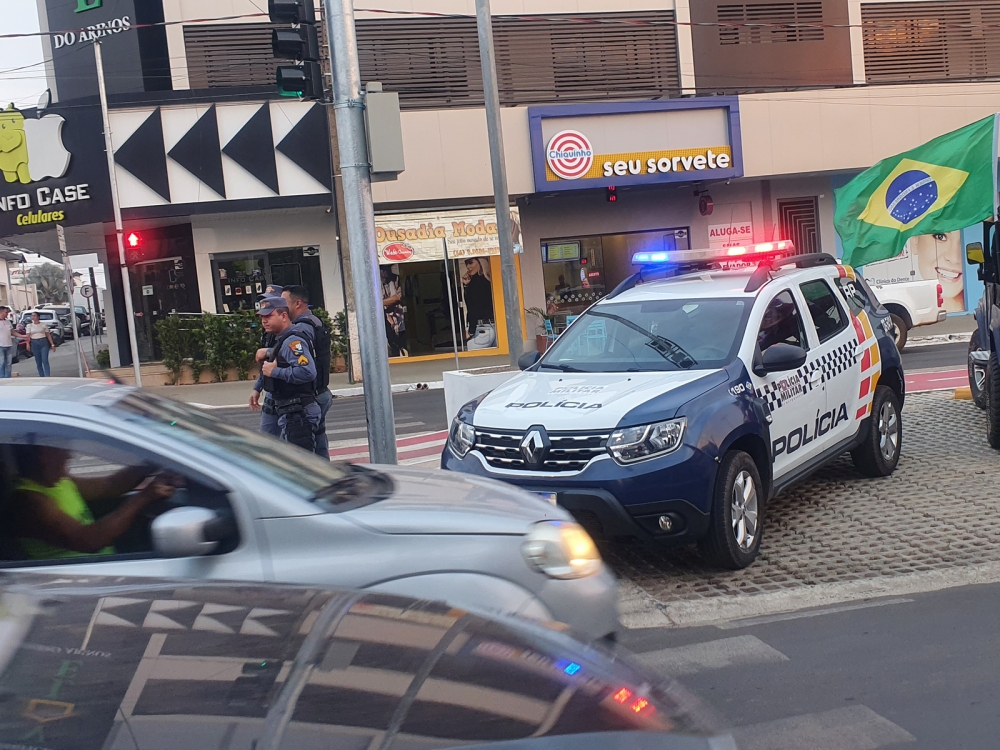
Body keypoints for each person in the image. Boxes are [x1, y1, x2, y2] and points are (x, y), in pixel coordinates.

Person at [11, 445, 175, 559]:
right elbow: (90, 540)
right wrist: (143, 497)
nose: (69, 456)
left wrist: (152, 463)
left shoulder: (61, 482)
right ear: (42, 454)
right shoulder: (29, 501)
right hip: (78, 584)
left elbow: (109, 486)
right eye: (61, 450)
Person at [256, 295, 322, 452]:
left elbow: (307, 372)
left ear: (283, 316)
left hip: (299, 413)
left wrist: (275, 372)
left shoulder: (293, 342)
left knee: (303, 467)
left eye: (269, 316)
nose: (264, 321)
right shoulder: (282, 340)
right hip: (291, 411)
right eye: (262, 317)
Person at [282, 285, 333, 459]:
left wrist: (274, 368)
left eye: (284, 302)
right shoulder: (315, 322)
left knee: (301, 453)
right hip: (321, 392)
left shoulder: (300, 330)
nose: (281, 307)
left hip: (309, 397)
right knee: (319, 444)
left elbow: (305, 370)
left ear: (297, 303)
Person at [250, 285, 283, 437]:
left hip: (288, 396)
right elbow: (266, 364)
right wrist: (258, 388)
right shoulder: (269, 332)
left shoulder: (294, 328)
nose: (265, 319)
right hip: (272, 393)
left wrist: (269, 351)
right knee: (268, 441)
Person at [460, 258, 495, 344]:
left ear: (481, 263)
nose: (468, 266)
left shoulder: (476, 283)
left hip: (480, 327)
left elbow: (473, 307)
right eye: (466, 264)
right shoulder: (488, 281)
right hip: (492, 326)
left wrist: (471, 331)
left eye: (471, 263)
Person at [380, 266, 408, 357]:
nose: (386, 271)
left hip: (400, 322)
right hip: (386, 323)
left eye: (388, 268)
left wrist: (378, 302)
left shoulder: (396, 279)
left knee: (403, 347)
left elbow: (397, 298)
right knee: (392, 348)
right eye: (383, 269)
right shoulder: (374, 283)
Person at [25, 312, 55, 377]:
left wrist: (52, 344)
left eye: (35, 315)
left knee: (45, 360)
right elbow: (28, 336)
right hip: (34, 342)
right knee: (38, 361)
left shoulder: (43, 325)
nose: (33, 317)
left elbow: (48, 335)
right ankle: (41, 375)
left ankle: (47, 375)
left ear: (38, 317)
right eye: (32, 316)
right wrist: (27, 344)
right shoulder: (29, 326)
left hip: (43, 341)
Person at [0, 307, 14, 378]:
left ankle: (8, 377)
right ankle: (1, 377)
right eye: (6, 312)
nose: (7, 314)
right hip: (1, 345)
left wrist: (23, 336)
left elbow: (12, 332)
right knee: (1, 362)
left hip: (8, 345)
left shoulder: (8, 322)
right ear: (1, 312)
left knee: (8, 363)